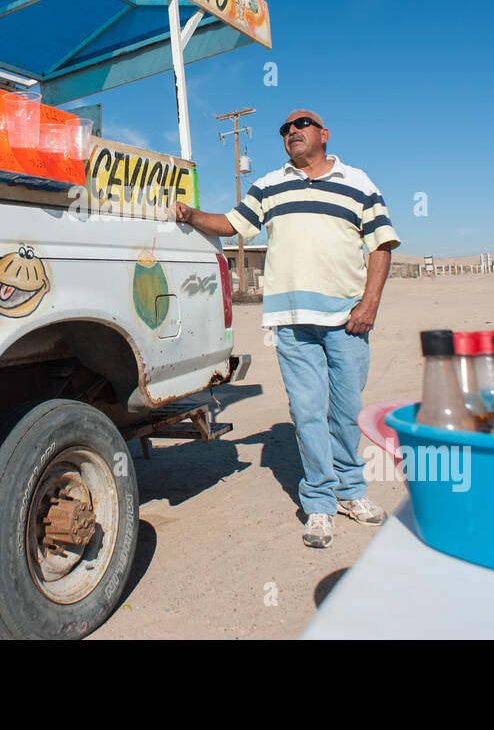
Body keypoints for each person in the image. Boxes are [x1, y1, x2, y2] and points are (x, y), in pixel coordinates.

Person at [171, 110, 400, 548]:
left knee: (346, 409)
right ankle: (319, 503)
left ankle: (352, 491)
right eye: (285, 130)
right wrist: (189, 213)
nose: (292, 132)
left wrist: (370, 304)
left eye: (301, 125)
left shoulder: (358, 181)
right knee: (308, 411)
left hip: (347, 319)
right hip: (291, 321)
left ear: (324, 135)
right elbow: (232, 223)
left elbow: (382, 244)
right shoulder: (272, 184)